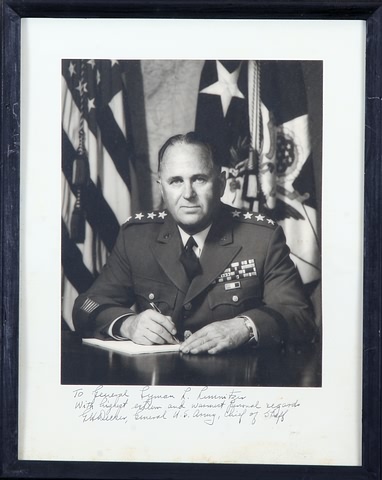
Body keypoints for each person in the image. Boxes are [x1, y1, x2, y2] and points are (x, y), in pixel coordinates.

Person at [73, 132, 316, 354]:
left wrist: (244, 327)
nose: (188, 193)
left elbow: (298, 315)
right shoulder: (136, 237)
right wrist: (128, 324)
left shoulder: (261, 238)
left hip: (236, 384)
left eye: (199, 179)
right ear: (162, 188)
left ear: (220, 184)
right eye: (176, 181)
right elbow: (87, 304)